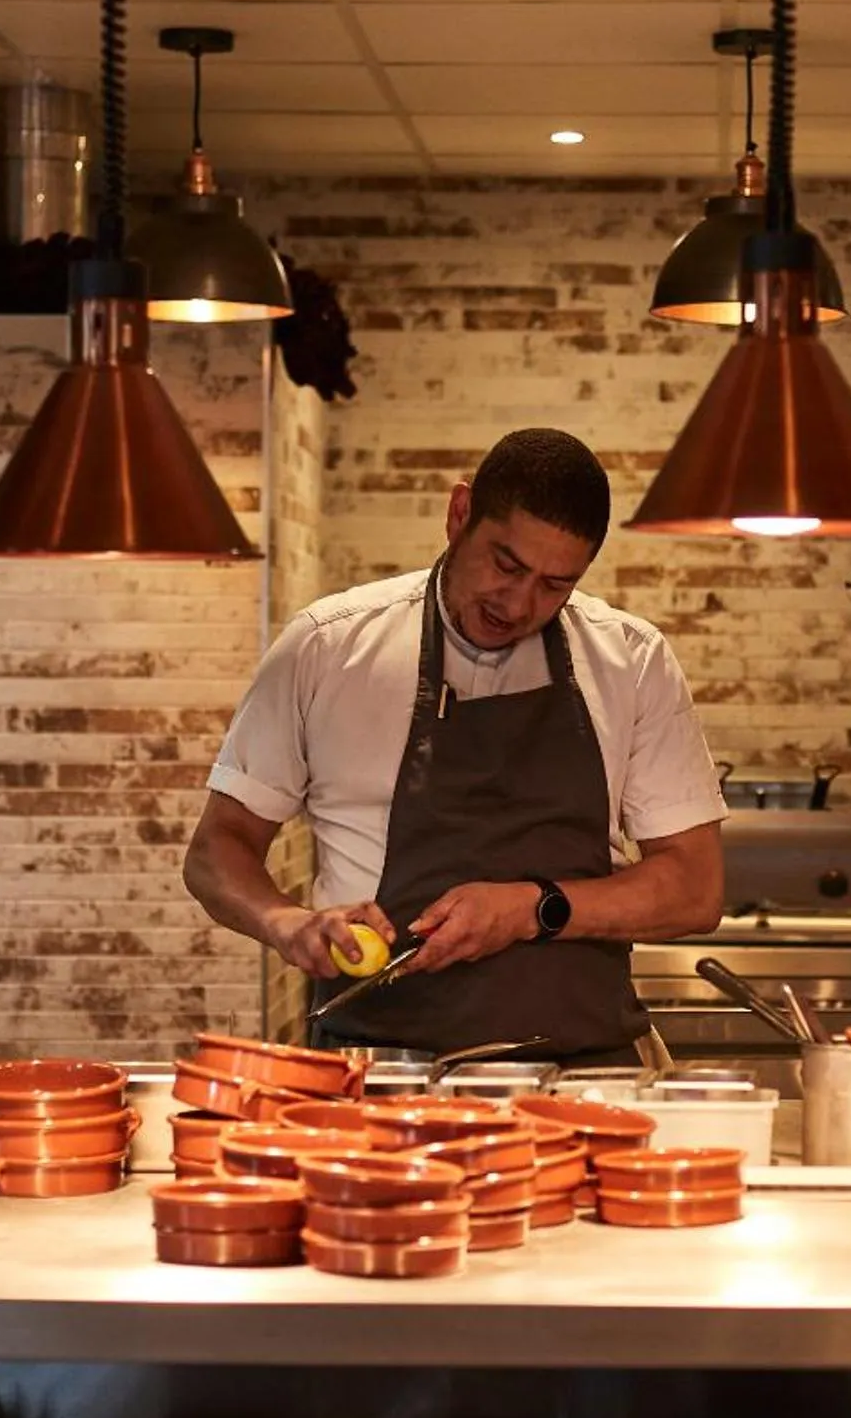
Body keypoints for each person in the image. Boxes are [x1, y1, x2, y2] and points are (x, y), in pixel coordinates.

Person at [186, 428, 728, 1062]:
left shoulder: (631, 661)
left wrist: (534, 908)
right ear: (460, 514)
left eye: (556, 585)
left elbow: (696, 888)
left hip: (586, 1076)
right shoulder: (326, 647)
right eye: (507, 564)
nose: (521, 604)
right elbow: (216, 849)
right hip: (381, 1076)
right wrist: (287, 922)